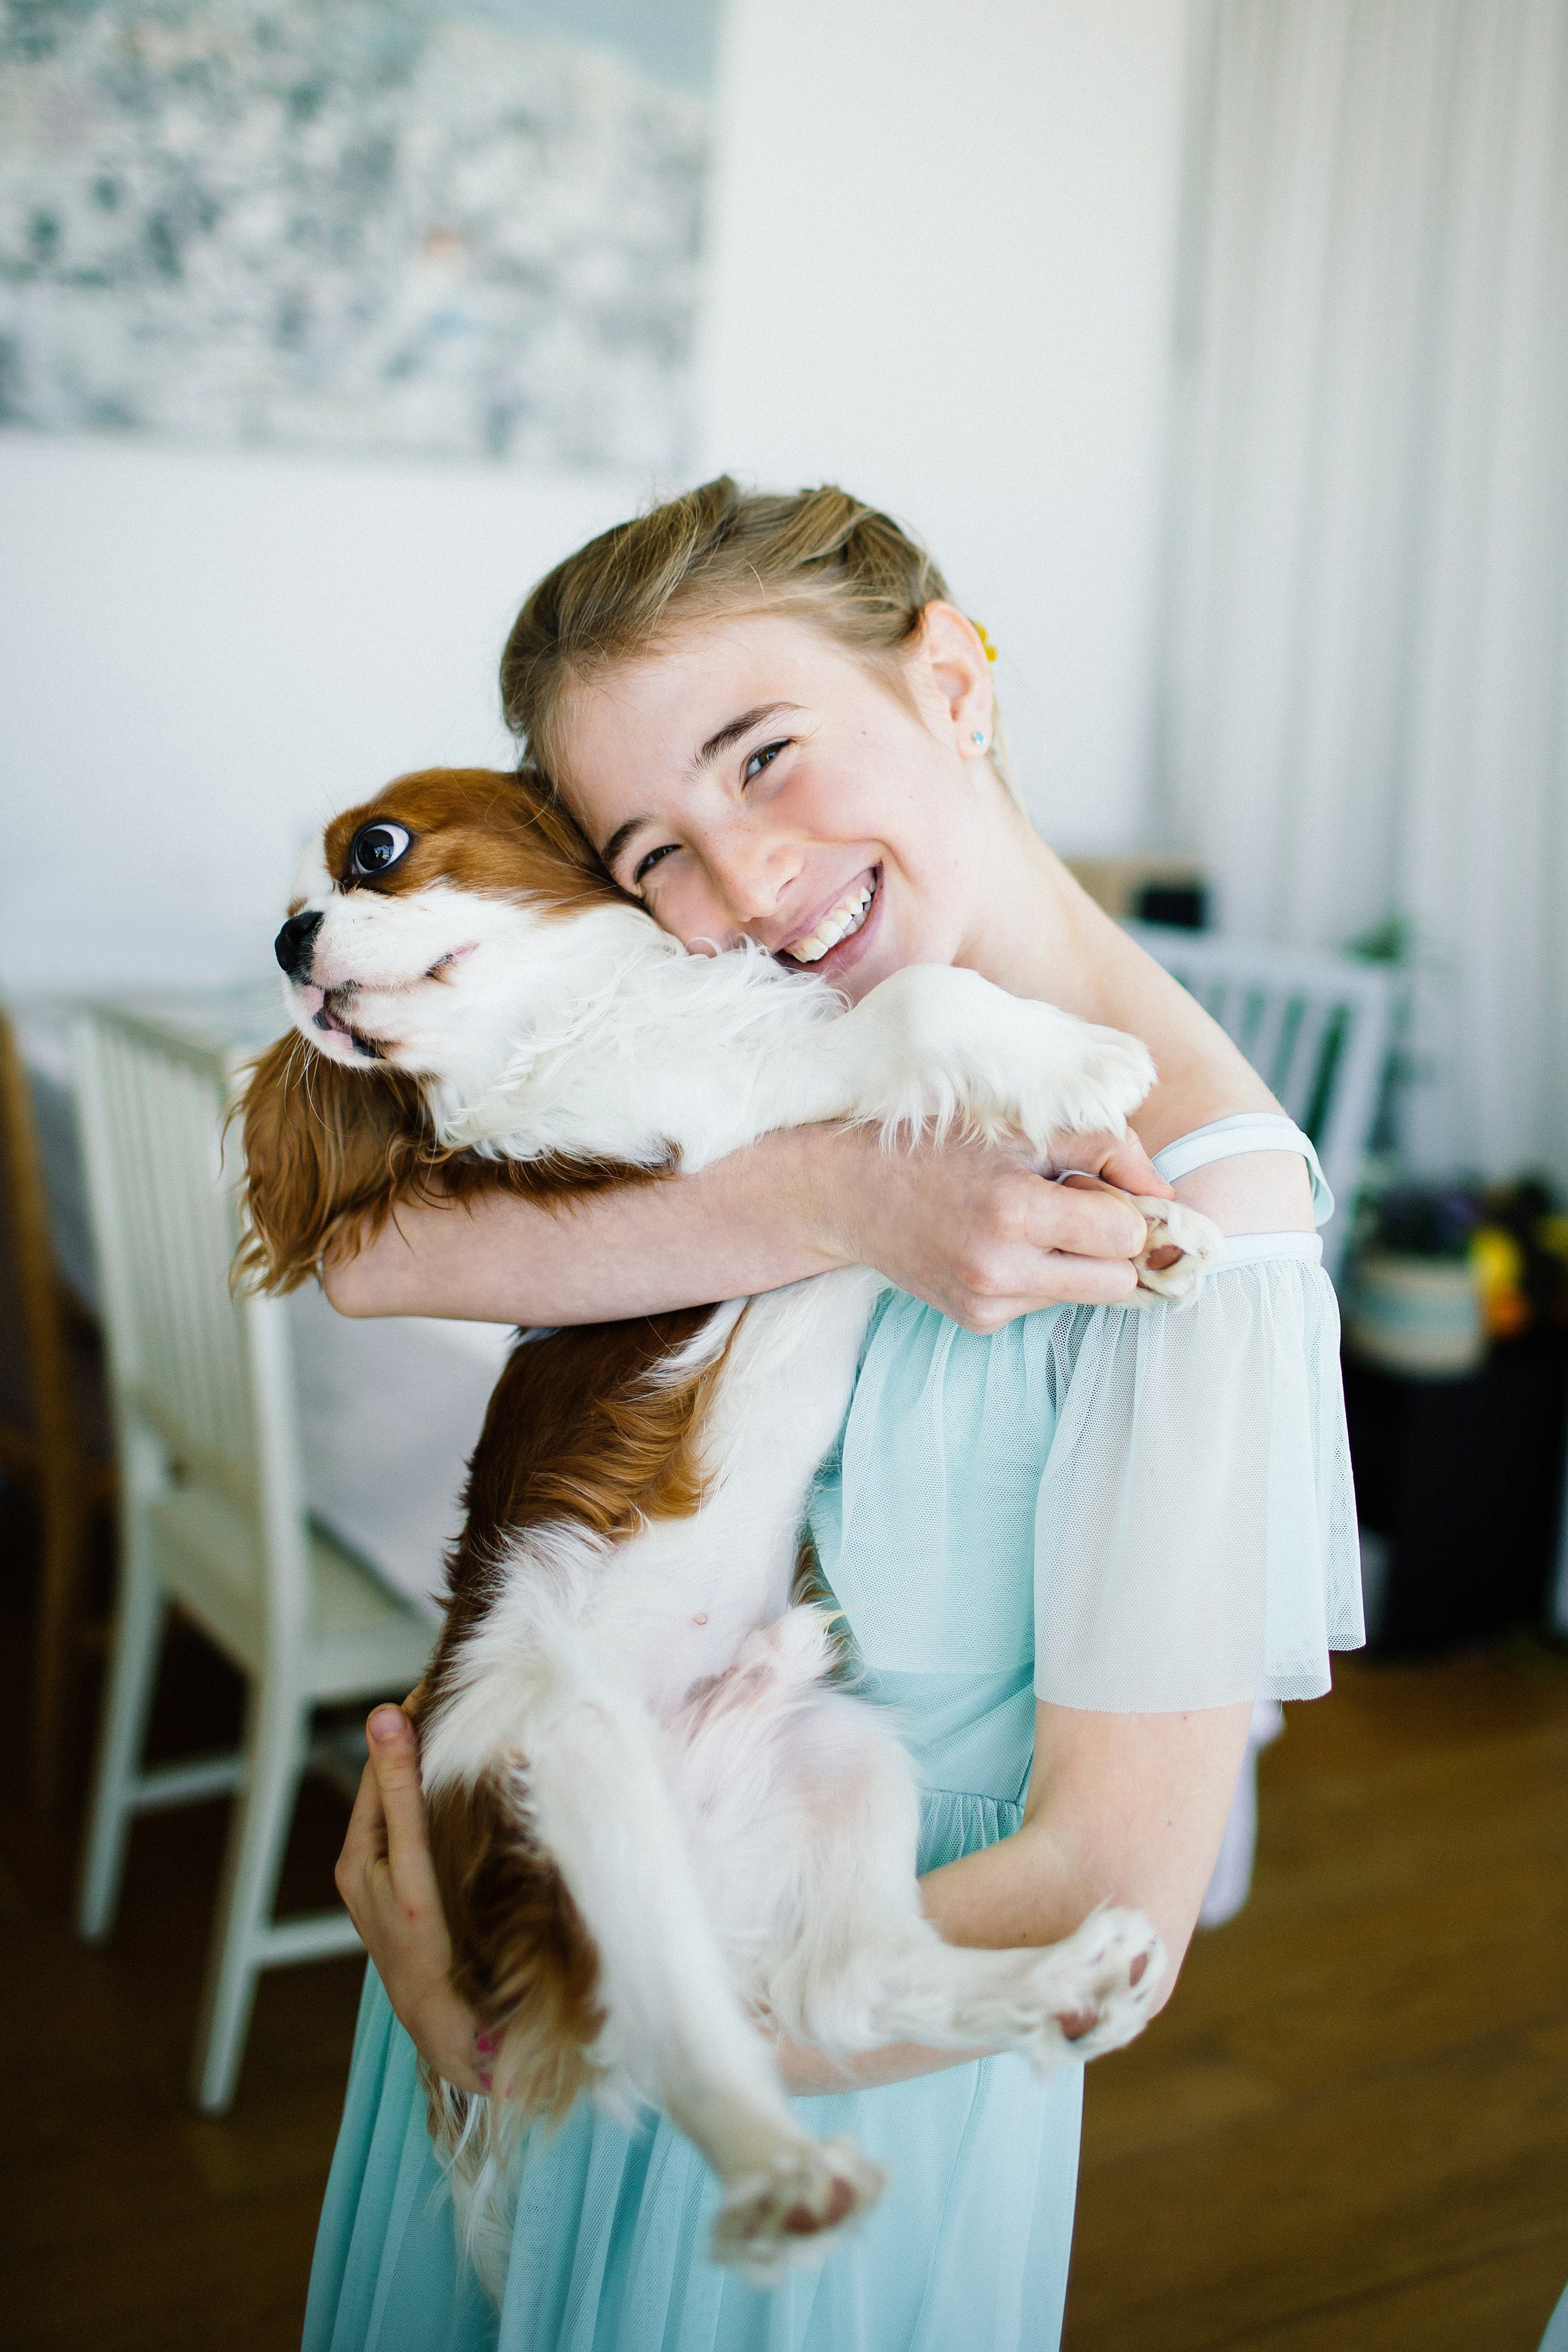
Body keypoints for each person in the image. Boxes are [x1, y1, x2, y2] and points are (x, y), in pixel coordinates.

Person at [303, 480, 1362, 2351]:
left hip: (804, 2081)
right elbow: (368, 1256)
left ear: (953, 677)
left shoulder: (1209, 1222)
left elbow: (1112, 1892)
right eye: (653, 857)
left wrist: (524, 2029)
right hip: (537, 1955)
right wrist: (838, 1199)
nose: (743, 889)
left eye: (768, 758)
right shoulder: (803, 1084)